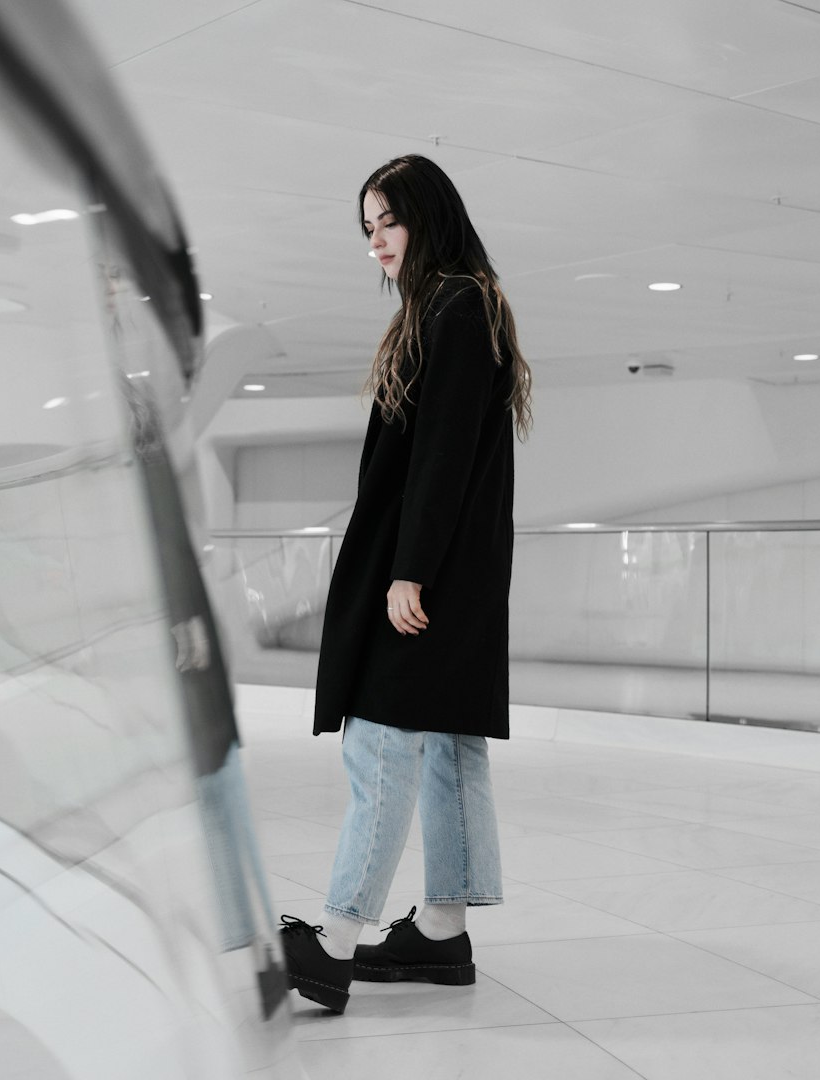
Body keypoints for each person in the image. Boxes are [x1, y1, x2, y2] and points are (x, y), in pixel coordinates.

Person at [279, 154, 532, 1014]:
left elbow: (443, 451)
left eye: (389, 221)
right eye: (368, 229)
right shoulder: (465, 304)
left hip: (429, 571)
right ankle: (440, 931)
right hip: (458, 568)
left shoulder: (455, 306)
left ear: (429, 216)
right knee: (449, 749)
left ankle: (334, 943)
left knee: (381, 748)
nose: (378, 242)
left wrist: (409, 568)